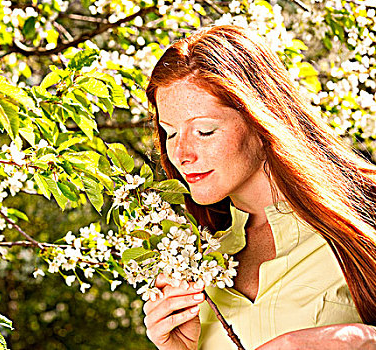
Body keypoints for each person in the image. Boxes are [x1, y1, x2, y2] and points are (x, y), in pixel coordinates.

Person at [143, 25, 376, 349]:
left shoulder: (366, 211)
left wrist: (361, 341)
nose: (182, 154)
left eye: (205, 131)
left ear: (260, 118)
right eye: (169, 133)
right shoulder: (195, 264)